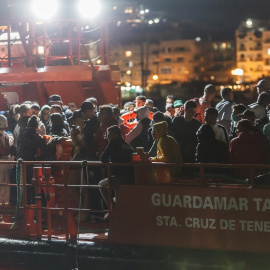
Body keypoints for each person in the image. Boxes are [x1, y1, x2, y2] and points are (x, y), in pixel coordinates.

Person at [99, 125, 134, 210]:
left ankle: (113, 208)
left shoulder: (113, 143)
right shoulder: (127, 145)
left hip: (118, 176)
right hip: (131, 177)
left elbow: (103, 158)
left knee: (101, 185)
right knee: (122, 200)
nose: (107, 136)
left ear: (115, 134)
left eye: (109, 134)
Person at [17, 116, 46, 204]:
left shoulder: (22, 133)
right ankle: (35, 203)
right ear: (36, 126)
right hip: (32, 162)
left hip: (22, 162)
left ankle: (25, 203)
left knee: (24, 184)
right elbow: (43, 147)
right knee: (33, 183)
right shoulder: (35, 135)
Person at [0, 115, 12, 204]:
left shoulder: (6, 135)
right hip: (5, 162)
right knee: (5, 186)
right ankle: (4, 205)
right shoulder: (7, 135)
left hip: (3, 162)